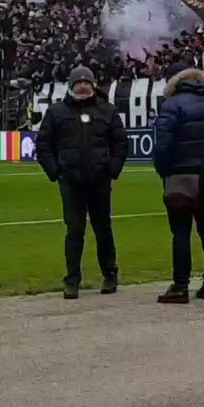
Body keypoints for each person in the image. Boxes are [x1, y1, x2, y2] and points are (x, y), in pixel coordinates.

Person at [36, 66, 127, 299]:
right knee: (74, 231)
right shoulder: (57, 112)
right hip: (71, 182)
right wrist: (55, 172)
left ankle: (110, 274)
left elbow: (120, 144)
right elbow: (43, 144)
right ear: (71, 85)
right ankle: (72, 280)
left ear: (94, 84)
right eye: (79, 82)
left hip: (99, 181)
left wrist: (112, 170)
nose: (83, 85)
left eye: (87, 82)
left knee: (103, 229)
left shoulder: (107, 110)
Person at [153, 66, 204, 304]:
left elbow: (163, 144)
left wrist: (165, 171)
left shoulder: (172, 105)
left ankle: (180, 285)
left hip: (181, 173)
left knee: (181, 231)